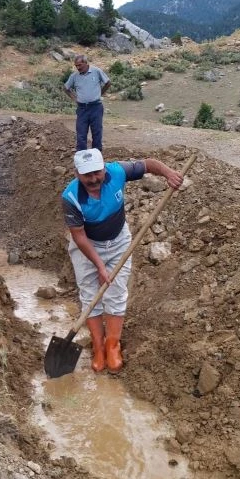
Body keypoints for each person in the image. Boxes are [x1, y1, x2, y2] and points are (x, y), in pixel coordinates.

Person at [62, 148, 183, 373]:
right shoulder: (70, 197)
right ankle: (98, 347)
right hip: (87, 246)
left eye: (97, 173)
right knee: (90, 295)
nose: (93, 179)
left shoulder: (117, 172)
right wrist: (99, 265)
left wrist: (169, 173)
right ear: (77, 173)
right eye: (87, 175)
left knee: (116, 292)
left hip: (118, 242)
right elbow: (79, 236)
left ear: (104, 168)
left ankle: (113, 345)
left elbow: (147, 163)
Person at [63, 55, 110, 152]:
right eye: (76, 66)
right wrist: (74, 98)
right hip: (82, 109)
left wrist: (100, 93)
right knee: (81, 133)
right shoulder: (74, 76)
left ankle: (96, 156)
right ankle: (82, 156)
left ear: (86, 63)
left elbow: (108, 82)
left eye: (80, 65)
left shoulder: (96, 71)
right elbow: (66, 88)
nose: (78, 67)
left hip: (96, 107)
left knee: (97, 132)